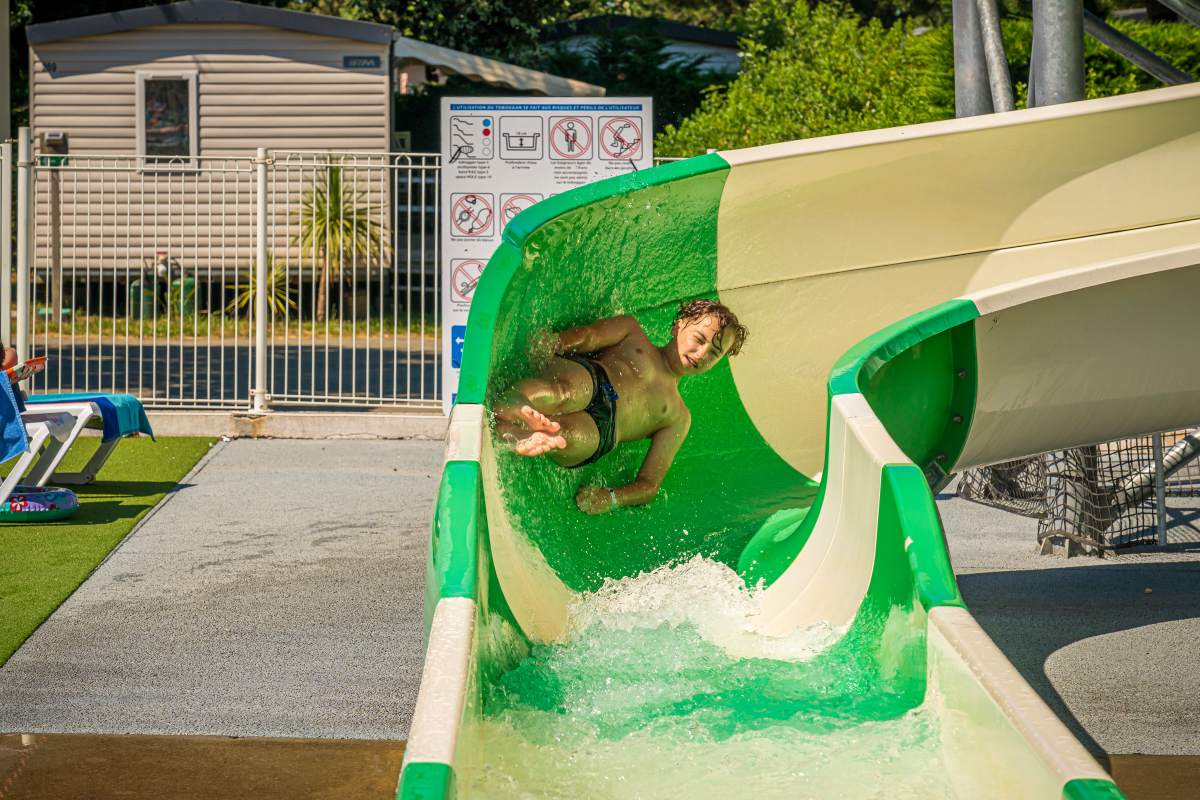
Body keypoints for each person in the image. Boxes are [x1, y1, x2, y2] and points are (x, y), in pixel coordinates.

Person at [495, 299, 748, 515]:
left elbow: (648, 484)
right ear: (678, 325)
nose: (702, 353)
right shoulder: (632, 332)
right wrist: (553, 343)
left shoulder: (677, 417)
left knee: (566, 437)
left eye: (714, 353)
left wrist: (610, 498)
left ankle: (526, 436)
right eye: (699, 339)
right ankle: (517, 402)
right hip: (597, 381)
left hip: (605, 429)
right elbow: (589, 336)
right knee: (564, 392)